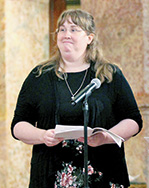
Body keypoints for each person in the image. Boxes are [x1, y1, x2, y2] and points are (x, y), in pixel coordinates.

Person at [11, 9, 142, 188]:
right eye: (62, 30)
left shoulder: (109, 75)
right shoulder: (39, 76)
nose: (66, 35)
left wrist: (104, 138)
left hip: (103, 173)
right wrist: (42, 135)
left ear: (89, 38)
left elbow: (133, 120)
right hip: (52, 175)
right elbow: (18, 125)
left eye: (74, 29)